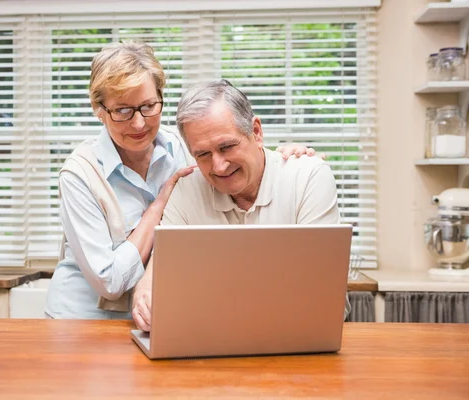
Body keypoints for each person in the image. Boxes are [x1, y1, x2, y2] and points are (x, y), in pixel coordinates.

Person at [45, 42, 319, 320]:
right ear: (98, 110)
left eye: (149, 106)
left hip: (156, 317)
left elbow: (226, 164)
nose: (139, 124)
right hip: (82, 319)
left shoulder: (182, 147)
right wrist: (158, 206)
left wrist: (280, 159)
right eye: (123, 111)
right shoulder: (79, 174)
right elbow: (111, 282)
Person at [132, 79, 349, 332]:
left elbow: (319, 292)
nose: (219, 166)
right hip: (211, 338)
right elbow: (158, 276)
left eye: (227, 147)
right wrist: (144, 299)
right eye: (202, 154)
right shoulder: (186, 189)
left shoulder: (308, 177)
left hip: (298, 336)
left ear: (256, 132)